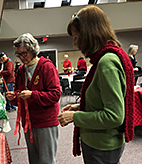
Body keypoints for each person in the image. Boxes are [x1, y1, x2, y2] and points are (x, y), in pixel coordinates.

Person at [57, 5, 134, 164]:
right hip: (101, 143)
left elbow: (114, 116)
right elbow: (103, 101)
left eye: (76, 38)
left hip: (102, 145)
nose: (75, 43)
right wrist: (80, 107)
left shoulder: (106, 63)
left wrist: (75, 117)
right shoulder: (104, 59)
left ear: (89, 35)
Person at [6, 33, 61, 164]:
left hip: (45, 122)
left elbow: (55, 94)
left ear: (32, 50)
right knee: (34, 160)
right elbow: (20, 97)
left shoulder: (46, 67)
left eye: (24, 53)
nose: (21, 57)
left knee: (47, 160)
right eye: (18, 54)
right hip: (29, 122)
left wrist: (33, 94)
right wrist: (13, 98)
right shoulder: (20, 70)